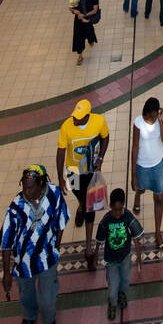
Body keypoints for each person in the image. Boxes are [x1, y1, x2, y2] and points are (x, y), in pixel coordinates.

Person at [0, 164, 69, 324]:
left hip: (47, 259)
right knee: (26, 295)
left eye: (29, 187)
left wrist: (57, 244)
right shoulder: (16, 207)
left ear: (40, 184)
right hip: (24, 262)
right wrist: (6, 273)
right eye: (23, 186)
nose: (26, 191)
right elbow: (6, 242)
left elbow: (61, 219)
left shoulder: (54, 195)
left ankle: (49, 321)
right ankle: (29, 317)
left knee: (47, 296)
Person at [56, 99, 109, 269]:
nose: (75, 120)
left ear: (87, 116)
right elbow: (60, 152)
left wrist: (100, 157)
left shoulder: (99, 121)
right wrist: (60, 178)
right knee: (80, 197)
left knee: (90, 209)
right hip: (73, 171)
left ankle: (88, 248)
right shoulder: (66, 127)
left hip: (91, 171)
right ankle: (80, 206)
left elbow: (105, 138)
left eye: (78, 118)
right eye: (74, 116)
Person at [95, 188, 144, 321]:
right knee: (113, 284)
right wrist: (95, 256)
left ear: (123, 206)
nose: (117, 213)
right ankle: (112, 301)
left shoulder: (127, 217)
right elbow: (99, 240)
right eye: (115, 210)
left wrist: (139, 256)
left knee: (125, 279)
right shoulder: (106, 221)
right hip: (111, 260)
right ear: (110, 206)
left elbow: (135, 237)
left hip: (125, 257)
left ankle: (122, 293)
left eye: (120, 209)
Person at [131, 96, 163, 250]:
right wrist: (133, 174)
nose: (152, 119)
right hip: (142, 165)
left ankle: (157, 232)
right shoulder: (138, 123)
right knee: (140, 188)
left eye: (154, 116)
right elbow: (135, 147)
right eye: (150, 116)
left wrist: (160, 121)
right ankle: (137, 197)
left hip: (159, 164)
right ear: (145, 114)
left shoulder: (160, 119)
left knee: (159, 198)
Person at [71, 0, 100, 66]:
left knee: (89, 32)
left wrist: (85, 15)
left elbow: (95, 10)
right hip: (79, 20)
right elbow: (75, 5)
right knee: (78, 37)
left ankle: (91, 40)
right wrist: (73, 10)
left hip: (87, 20)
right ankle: (80, 56)